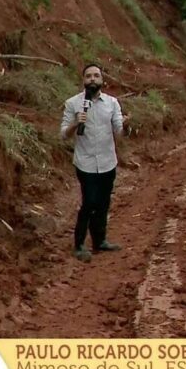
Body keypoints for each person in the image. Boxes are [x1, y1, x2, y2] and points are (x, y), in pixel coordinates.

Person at [60, 64, 124, 262]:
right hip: (85, 163)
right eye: (88, 76)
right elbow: (63, 134)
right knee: (89, 202)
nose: (92, 79)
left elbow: (119, 130)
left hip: (107, 161)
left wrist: (124, 124)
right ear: (83, 80)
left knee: (104, 203)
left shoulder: (112, 103)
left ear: (102, 80)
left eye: (96, 75)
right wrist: (75, 123)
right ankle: (79, 244)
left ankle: (100, 241)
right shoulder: (72, 104)